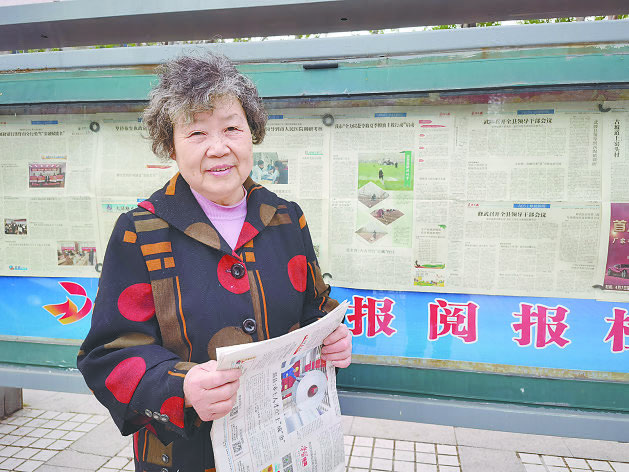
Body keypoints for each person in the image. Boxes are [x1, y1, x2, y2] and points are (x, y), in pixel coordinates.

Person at [77, 53, 351, 472]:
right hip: (186, 456)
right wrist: (182, 386)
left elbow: (315, 309)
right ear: (171, 145)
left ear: (251, 133)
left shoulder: (286, 217)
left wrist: (332, 339)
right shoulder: (141, 231)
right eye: (196, 132)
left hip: (284, 445)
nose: (218, 147)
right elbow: (107, 354)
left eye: (231, 128)